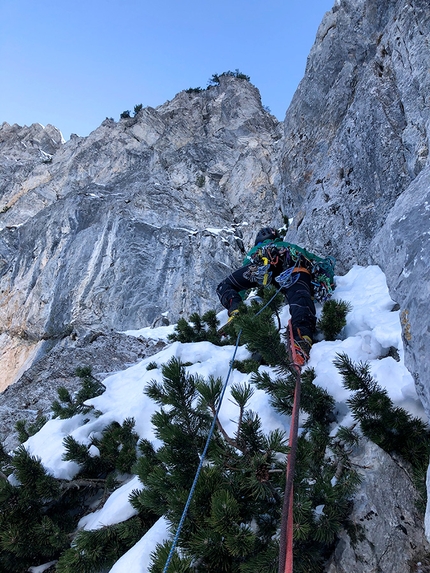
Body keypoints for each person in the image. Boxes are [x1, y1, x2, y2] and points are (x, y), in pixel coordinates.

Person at [216, 227, 335, 365]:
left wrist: (239, 300)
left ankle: (236, 309)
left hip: (261, 266)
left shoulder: (254, 252)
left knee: (224, 286)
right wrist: (326, 277)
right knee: (300, 299)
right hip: (294, 268)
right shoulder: (288, 246)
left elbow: (244, 274)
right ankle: (301, 339)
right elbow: (312, 259)